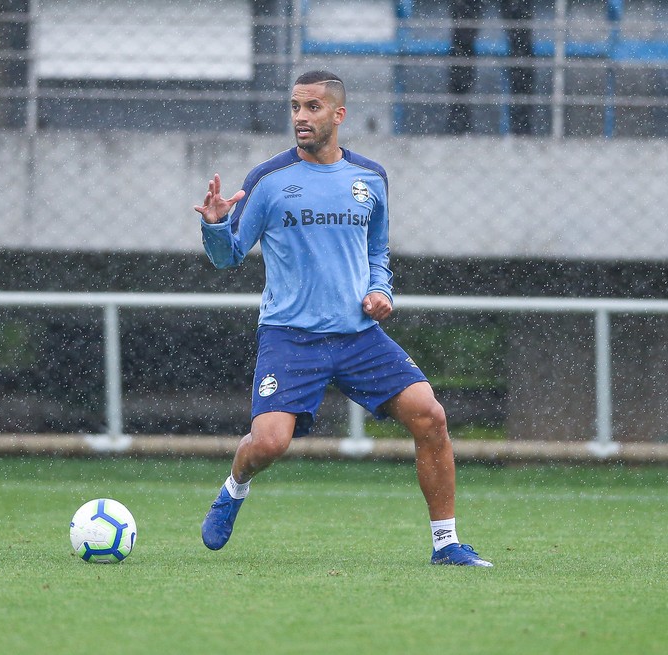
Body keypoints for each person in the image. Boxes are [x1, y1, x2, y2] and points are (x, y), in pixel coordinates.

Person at [192, 70, 492, 567]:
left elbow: (378, 251)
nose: (301, 118)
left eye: (312, 108)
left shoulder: (370, 178)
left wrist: (380, 290)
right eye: (294, 107)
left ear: (338, 114)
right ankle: (235, 485)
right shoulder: (268, 180)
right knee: (268, 444)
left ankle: (447, 544)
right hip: (291, 337)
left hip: (357, 336)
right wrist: (217, 226)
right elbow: (228, 258)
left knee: (431, 417)